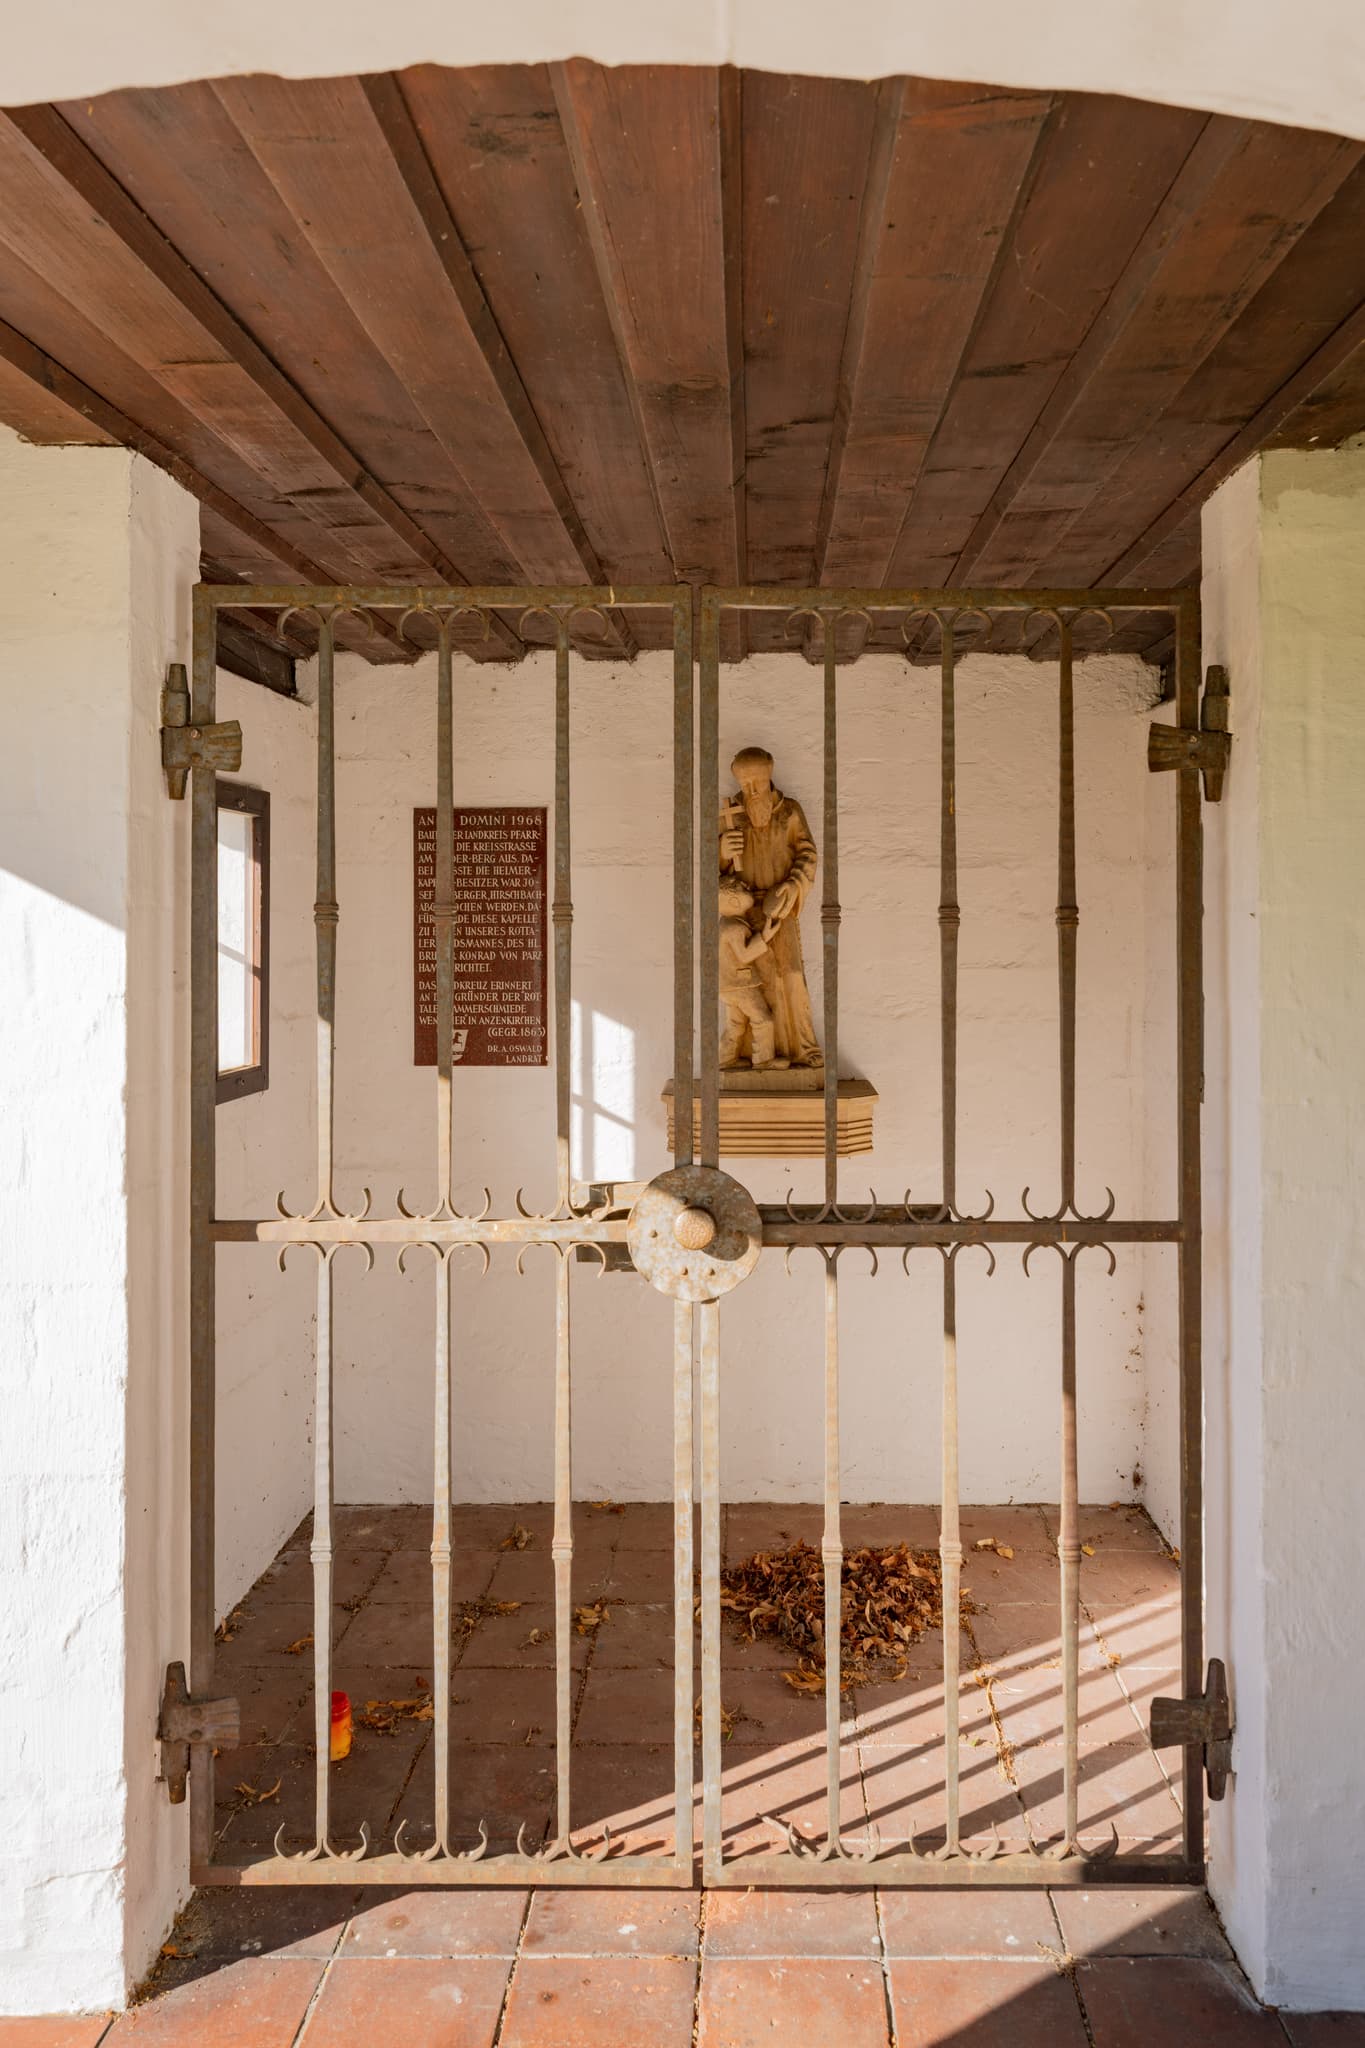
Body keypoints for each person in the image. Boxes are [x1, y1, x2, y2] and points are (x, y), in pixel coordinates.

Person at [719, 746, 822, 1067]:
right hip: (744, 911)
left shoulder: (789, 812)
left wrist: (792, 886)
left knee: (790, 974)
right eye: (746, 784)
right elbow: (715, 873)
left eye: (758, 784)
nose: (751, 791)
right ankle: (756, 1055)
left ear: (770, 777)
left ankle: (802, 1048)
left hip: (780, 907)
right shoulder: (731, 814)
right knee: (756, 981)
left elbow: (808, 855)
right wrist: (721, 850)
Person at [718, 878, 787, 1070]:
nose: (748, 887)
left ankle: (725, 1059)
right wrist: (765, 937)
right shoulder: (735, 927)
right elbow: (745, 955)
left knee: (736, 1024)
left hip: (727, 985)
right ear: (734, 901)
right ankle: (763, 1060)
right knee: (763, 1020)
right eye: (743, 888)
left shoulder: (725, 923)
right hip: (741, 984)